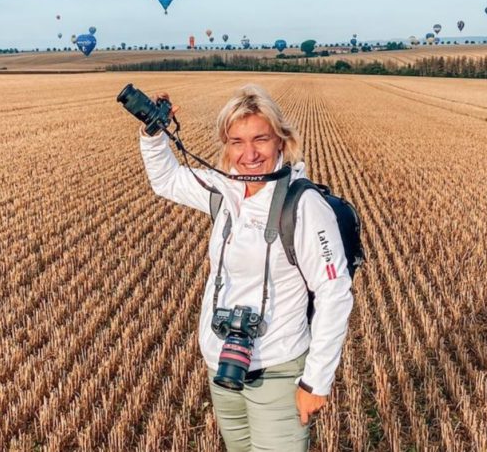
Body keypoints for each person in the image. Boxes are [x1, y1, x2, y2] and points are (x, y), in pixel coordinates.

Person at [138, 84, 353, 451]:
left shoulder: (304, 206)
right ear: (225, 145)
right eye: (236, 141)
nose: (249, 153)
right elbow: (167, 181)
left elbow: (334, 294)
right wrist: (153, 134)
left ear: (281, 141)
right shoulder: (225, 189)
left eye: (261, 139)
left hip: (278, 368)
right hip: (223, 364)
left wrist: (315, 382)